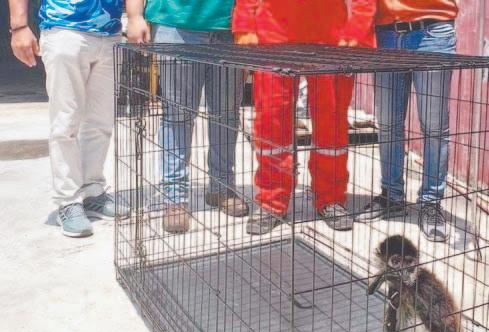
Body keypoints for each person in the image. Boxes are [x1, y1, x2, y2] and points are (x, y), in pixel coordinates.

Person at [233, 0, 376, 235]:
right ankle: (271, 202)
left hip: (330, 36)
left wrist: (358, 29)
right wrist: (245, 24)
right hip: (274, 36)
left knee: (331, 124)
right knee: (271, 123)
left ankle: (331, 199)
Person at [126, 0, 248, 234]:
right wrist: (134, 16)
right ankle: (175, 197)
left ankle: (222, 187)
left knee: (227, 114)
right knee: (177, 114)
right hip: (175, 22)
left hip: (230, 27)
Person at [8, 0, 127, 238]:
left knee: (100, 122)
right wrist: (19, 26)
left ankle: (93, 191)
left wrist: (133, 18)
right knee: (66, 123)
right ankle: (68, 200)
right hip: (64, 29)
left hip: (110, 32)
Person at [356, 1, 459, 242]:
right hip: (388, 33)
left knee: (434, 127)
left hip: (433, 30)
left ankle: (430, 203)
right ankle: (391, 197)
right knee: (388, 124)